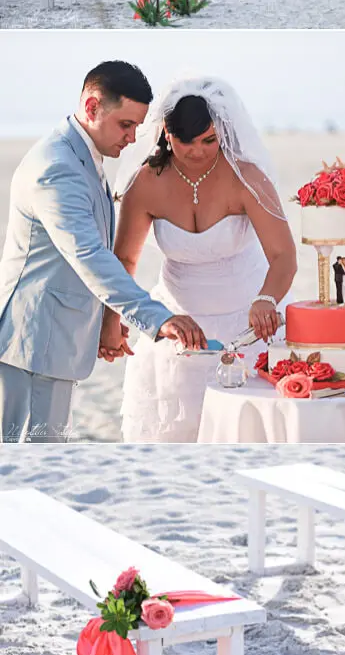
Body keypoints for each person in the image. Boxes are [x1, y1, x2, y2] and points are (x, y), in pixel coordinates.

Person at [0, 61, 206, 443]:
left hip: (55, 340)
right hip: (32, 345)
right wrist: (156, 318)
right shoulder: (57, 167)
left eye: (136, 128)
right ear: (92, 107)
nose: (131, 139)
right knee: (27, 460)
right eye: (125, 125)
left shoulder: (82, 153)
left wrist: (104, 323)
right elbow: (89, 255)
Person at [104, 75, 297, 442]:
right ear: (166, 134)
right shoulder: (146, 183)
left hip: (248, 323)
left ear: (222, 130)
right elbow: (125, 260)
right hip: (178, 327)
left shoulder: (246, 177)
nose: (198, 152)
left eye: (209, 140)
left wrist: (267, 298)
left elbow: (283, 254)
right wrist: (111, 321)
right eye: (185, 142)